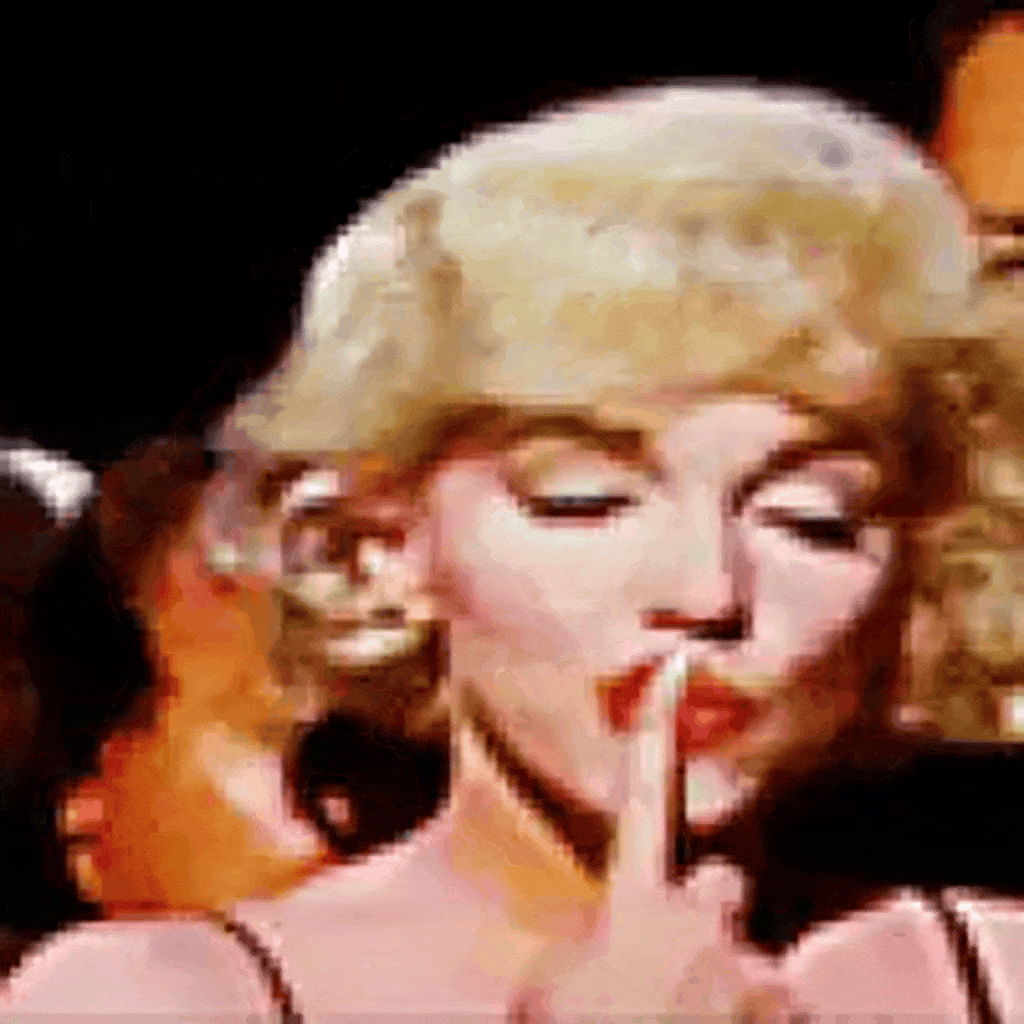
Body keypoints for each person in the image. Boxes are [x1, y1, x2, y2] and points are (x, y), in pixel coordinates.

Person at [4, 82, 1016, 1022]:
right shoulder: (162, 998)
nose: (708, 592)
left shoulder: (997, 971)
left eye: (812, 519)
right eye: (582, 500)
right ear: (384, 547)